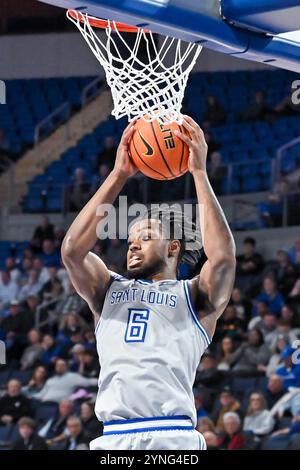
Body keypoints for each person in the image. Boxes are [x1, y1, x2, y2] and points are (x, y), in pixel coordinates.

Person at [61, 115, 236, 450]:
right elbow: (72, 251)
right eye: (130, 239)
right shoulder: (108, 290)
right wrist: (119, 174)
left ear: (173, 247)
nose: (133, 244)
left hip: (171, 436)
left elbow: (224, 259)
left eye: (145, 236)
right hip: (111, 439)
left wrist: (199, 172)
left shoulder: (195, 296)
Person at [34, 358, 98, 403]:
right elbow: (41, 394)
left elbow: (88, 382)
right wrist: (29, 396)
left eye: (62, 365)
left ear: (66, 367)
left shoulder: (72, 377)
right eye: (57, 365)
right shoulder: (50, 380)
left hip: (58, 405)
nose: (59, 367)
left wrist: (101, 380)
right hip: (43, 403)